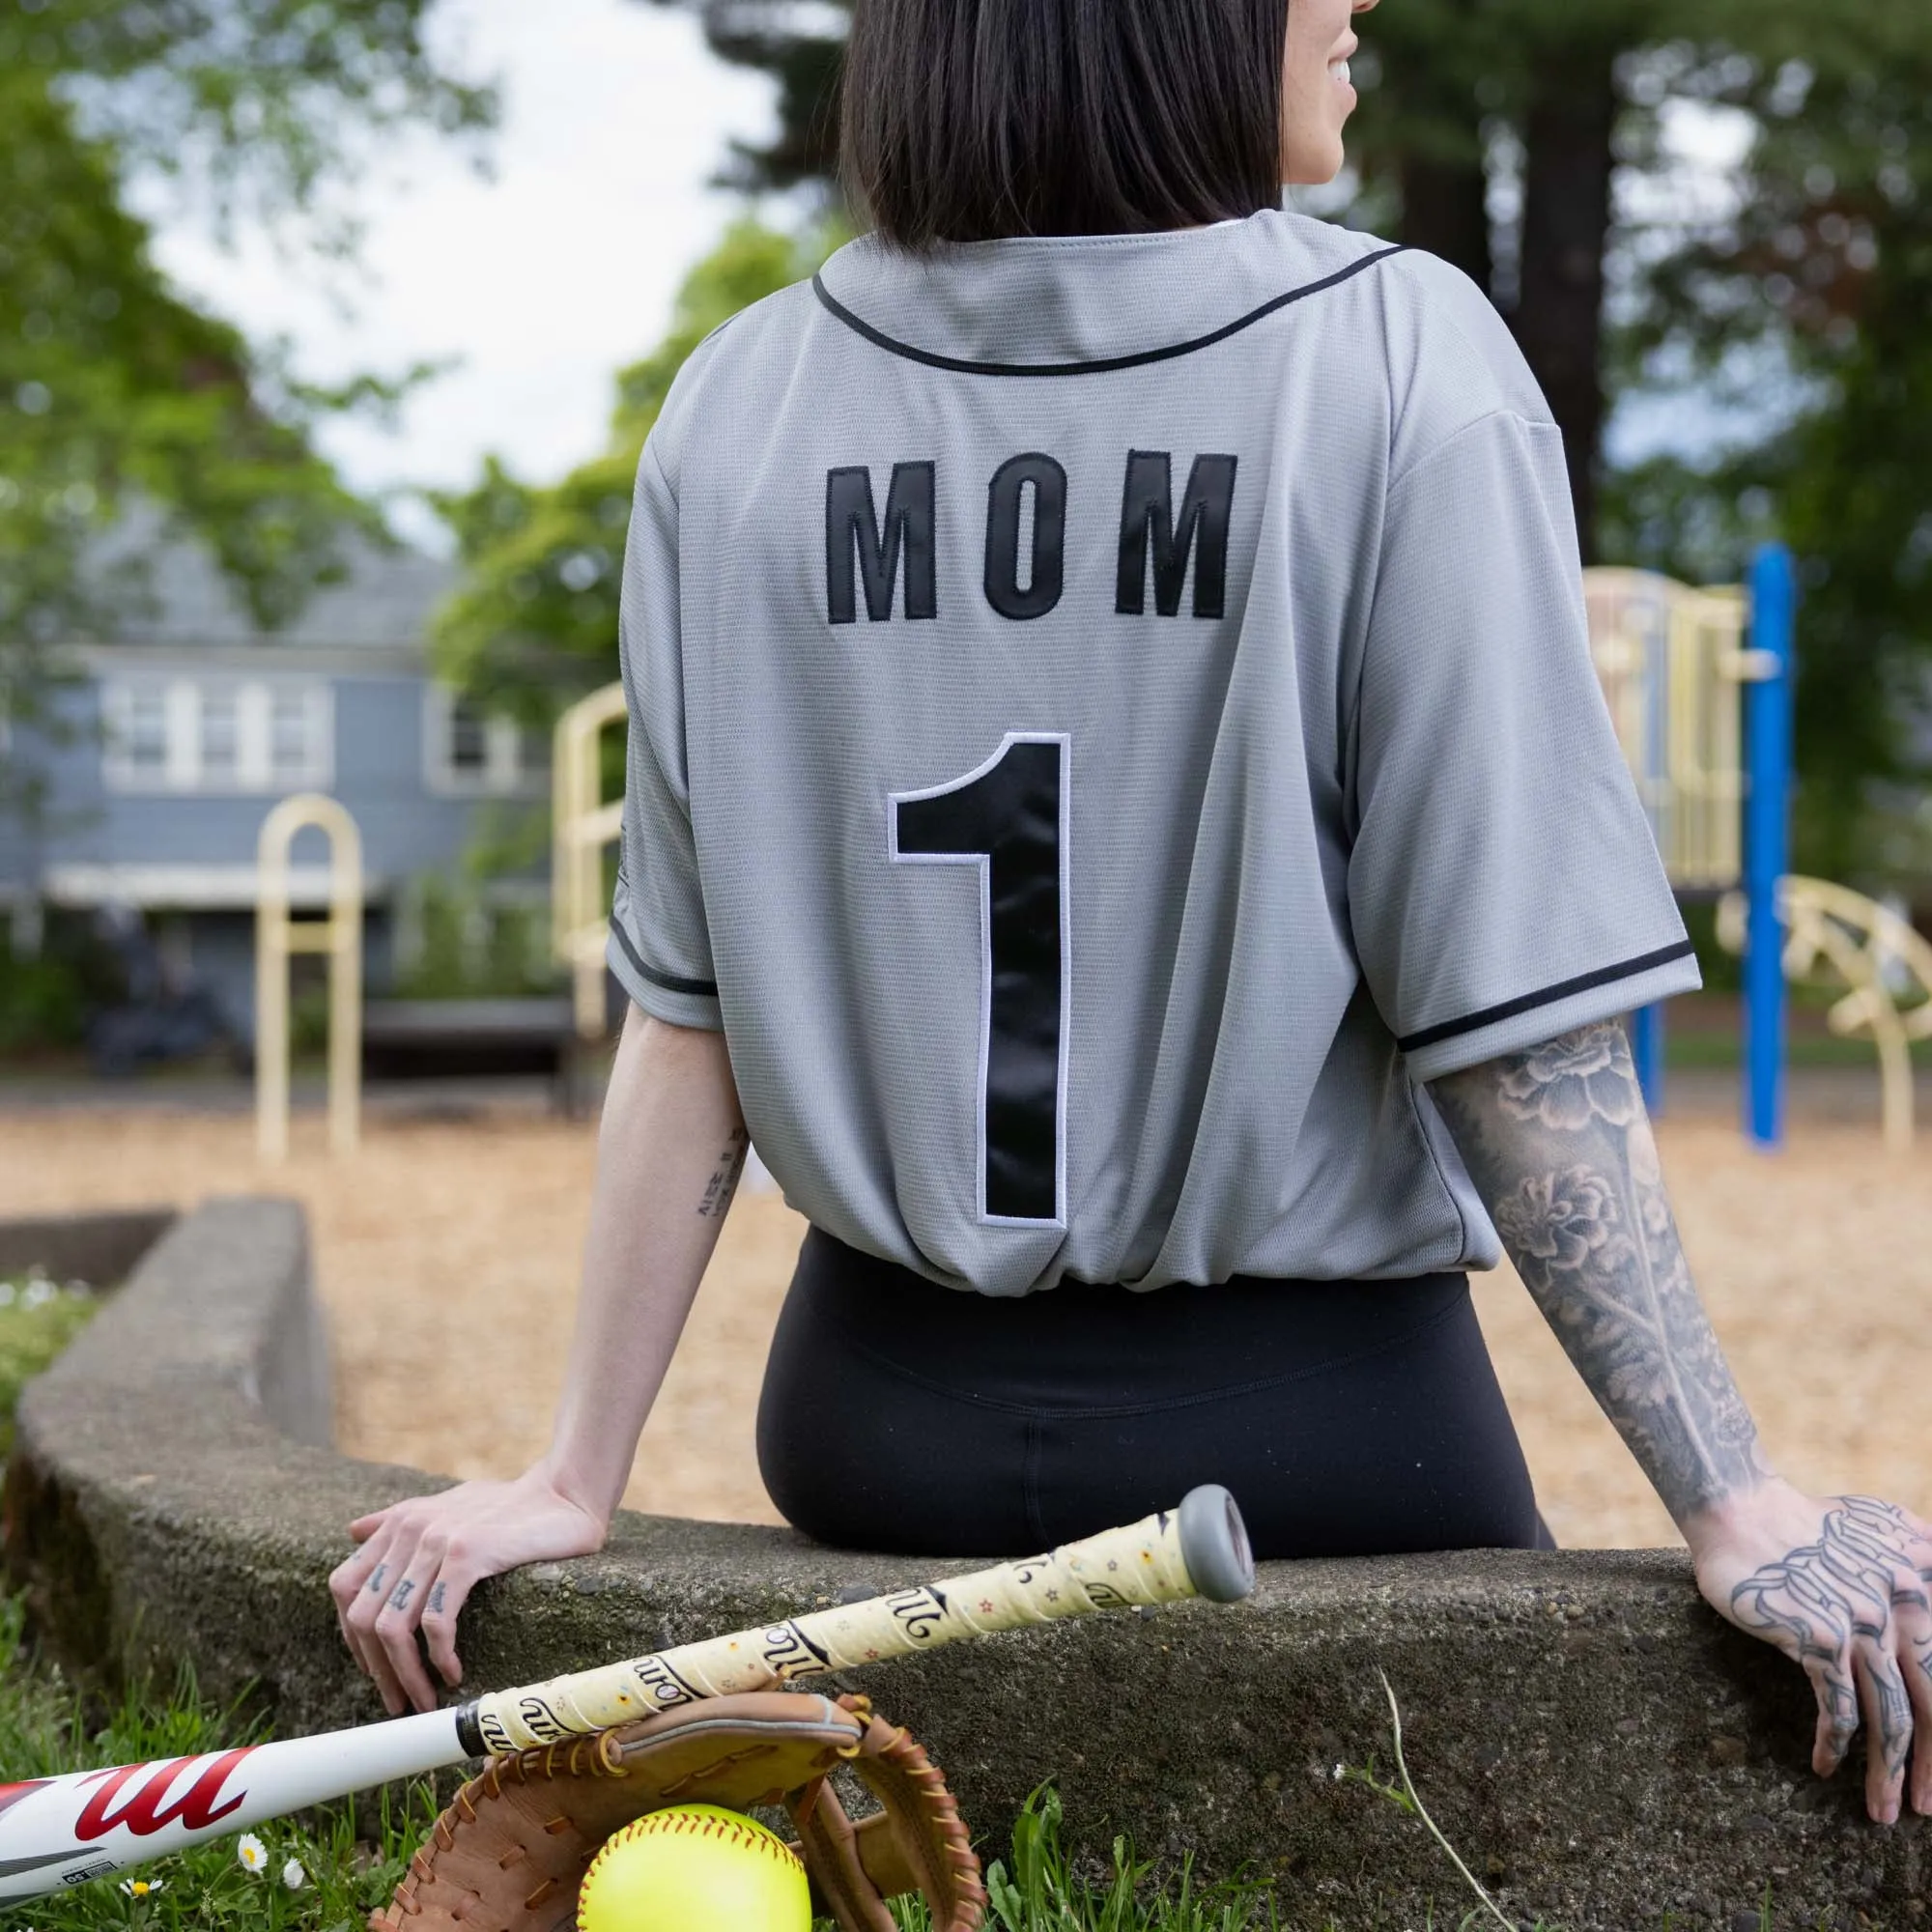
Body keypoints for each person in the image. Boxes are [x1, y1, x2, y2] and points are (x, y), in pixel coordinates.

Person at [331, 0, 1932, 1829]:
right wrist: (1735, 1501)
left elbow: (685, 1019)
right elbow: (1518, 1024)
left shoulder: (740, 399)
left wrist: (573, 1476)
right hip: (1318, 1434)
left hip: (871, 1420)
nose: (1355, 2)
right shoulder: (1400, 354)